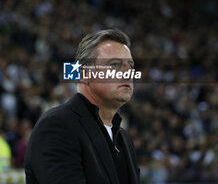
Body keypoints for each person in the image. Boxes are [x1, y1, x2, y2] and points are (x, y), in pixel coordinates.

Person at [25, 30, 140, 184]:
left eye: (130, 65)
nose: (127, 72)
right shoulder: (57, 125)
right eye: (115, 64)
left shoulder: (123, 138)